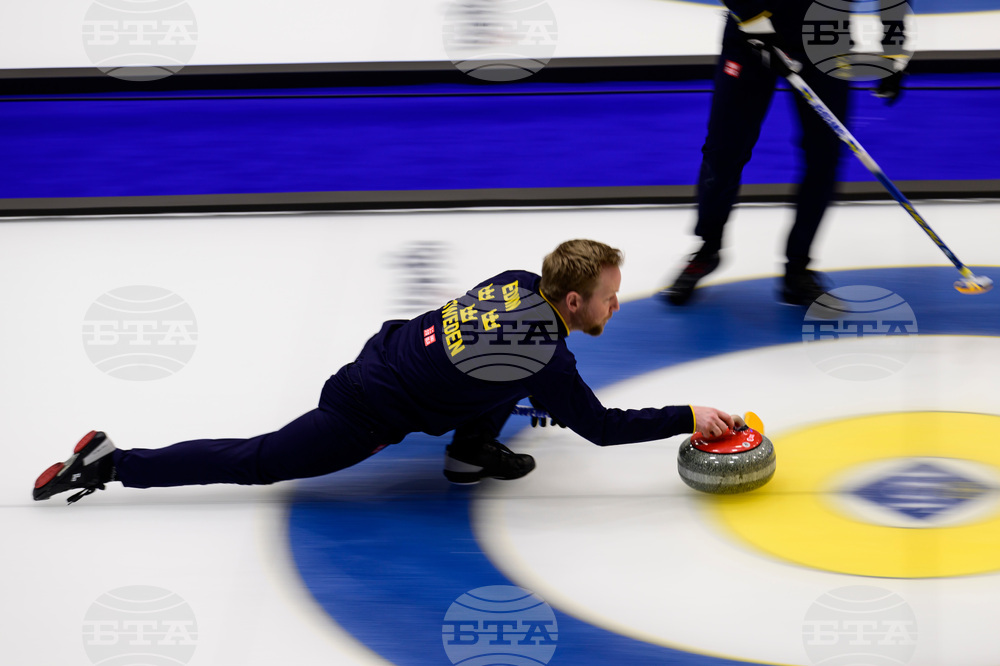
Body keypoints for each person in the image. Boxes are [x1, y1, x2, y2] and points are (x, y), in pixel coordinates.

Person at [34, 239, 744, 504]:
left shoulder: (516, 279)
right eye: (607, 296)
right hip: (365, 410)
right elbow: (603, 430)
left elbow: (499, 359)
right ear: (569, 299)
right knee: (259, 462)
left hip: (391, 351)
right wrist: (691, 417)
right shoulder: (545, 358)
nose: (616, 304)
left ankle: (467, 454)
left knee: (503, 379)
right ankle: (112, 463)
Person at [663, 1, 905, 306]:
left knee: (824, 156)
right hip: (750, 33)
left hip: (826, 35)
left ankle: (798, 269)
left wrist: (895, 48)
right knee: (724, 150)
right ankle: (708, 248)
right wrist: (755, 23)